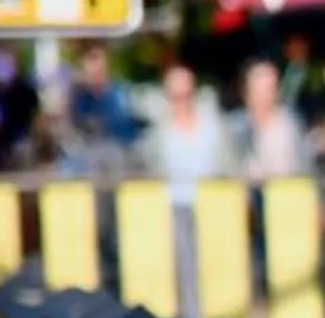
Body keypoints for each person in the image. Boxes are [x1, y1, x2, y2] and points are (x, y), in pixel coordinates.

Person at [151, 62, 231, 203]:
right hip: (174, 205)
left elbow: (228, 165)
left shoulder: (213, 125)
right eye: (176, 97)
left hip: (214, 202)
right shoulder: (158, 133)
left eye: (186, 95)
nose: (182, 101)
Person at [60, 47, 142, 175]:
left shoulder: (120, 93)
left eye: (98, 71)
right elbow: (74, 128)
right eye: (90, 73)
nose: (94, 77)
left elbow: (127, 130)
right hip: (89, 156)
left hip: (120, 154)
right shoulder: (81, 97)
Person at [235, 59, 309, 180]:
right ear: (246, 89)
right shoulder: (235, 126)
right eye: (261, 84)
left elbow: (297, 170)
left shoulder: (290, 124)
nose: (267, 91)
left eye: (271, 85)